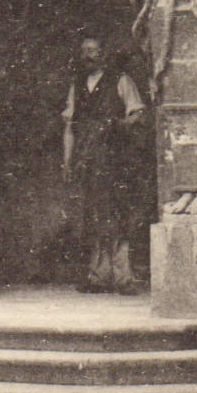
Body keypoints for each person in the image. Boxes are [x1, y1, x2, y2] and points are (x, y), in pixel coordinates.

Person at [61, 36, 151, 294]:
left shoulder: (120, 80)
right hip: (88, 159)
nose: (89, 55)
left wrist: (117, 126)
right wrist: (67, 161)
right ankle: (98, 275)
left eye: (94, 50)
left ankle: (123, 277)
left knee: (118, 213)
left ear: (104, 53)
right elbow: (69, 126)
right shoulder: (77, 85)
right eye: (84, 50)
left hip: (116, 159)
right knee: (92, 215)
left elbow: (138, 114)